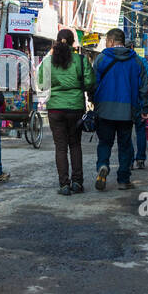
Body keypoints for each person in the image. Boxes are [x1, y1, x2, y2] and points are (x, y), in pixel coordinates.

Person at [36, 27, 94, 195]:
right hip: (75, 107)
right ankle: (77, 183)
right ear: (72, 42)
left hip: (55, 109)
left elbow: (41, 84)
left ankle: (64, 185)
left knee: (60, 147)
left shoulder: (48, 62)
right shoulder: (81, 60)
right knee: (75, 145)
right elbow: (90, 83)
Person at [91, 27, 146, 191]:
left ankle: (103, 166)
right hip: (127, 111)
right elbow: (145, 86)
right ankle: (123, 179)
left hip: (104, 109)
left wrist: (93, 101)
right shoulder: (136, 60)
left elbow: (93, 84)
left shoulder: (101, 59)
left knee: (105, 143)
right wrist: (144, 106)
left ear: (111, 41)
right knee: (125, 144)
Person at [132, 58, 148, 170]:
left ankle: (128, 160)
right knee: (140, 132)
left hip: (125, 103)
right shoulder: (141, 61)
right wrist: (145, 106)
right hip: (139, 103)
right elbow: (147, 84)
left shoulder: (116, 59)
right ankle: (140, 159)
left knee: (125, 133)